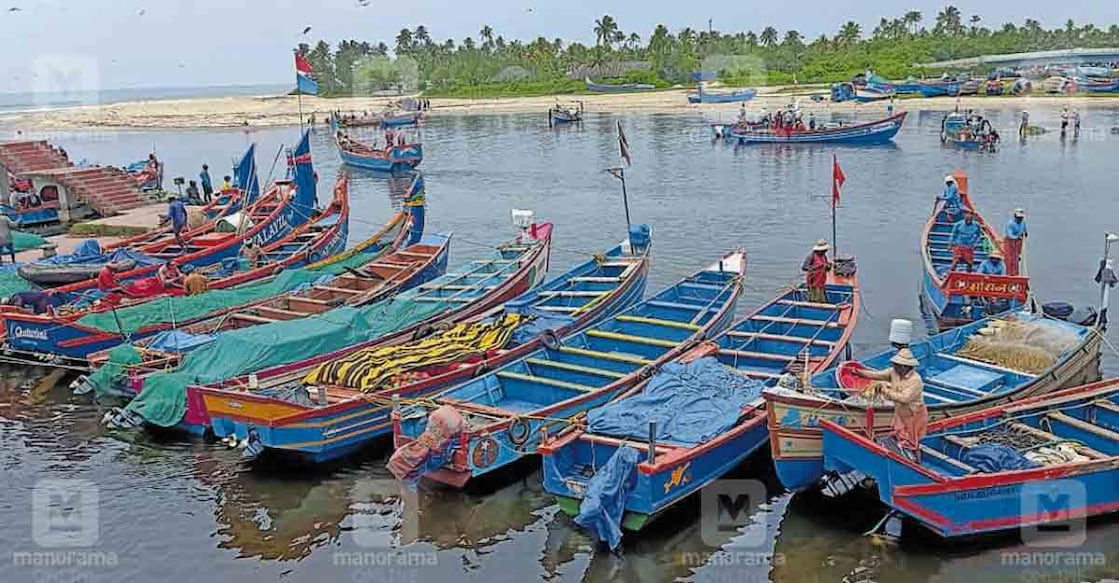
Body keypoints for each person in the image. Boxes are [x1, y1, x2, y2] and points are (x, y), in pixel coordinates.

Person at [850, 348, 928, 454]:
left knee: (912, 442)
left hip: (913, 413)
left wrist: (884, 391)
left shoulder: (915, 380)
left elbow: (904, 398)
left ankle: (916, 463)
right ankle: (900, 455)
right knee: (898, 434)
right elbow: (878, 375)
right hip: (900, 411)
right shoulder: (893, 372)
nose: (894, 366)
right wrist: (859, 373)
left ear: (904, 366)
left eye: (896, 364)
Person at [1003, 208, 1027, 276]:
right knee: (1009, 259)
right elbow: (1009, 234)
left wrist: (1025, 233)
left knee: (1016, 259)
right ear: (1015, 216)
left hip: (1018, 242)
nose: (1020, 219)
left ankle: (1016, 274)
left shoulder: (1023, 223)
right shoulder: (1010, 224)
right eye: (1018, 217)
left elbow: (1024, 230)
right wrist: (1016, 237)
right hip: (1010, 242)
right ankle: (1009, 275)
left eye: (1021, 217)